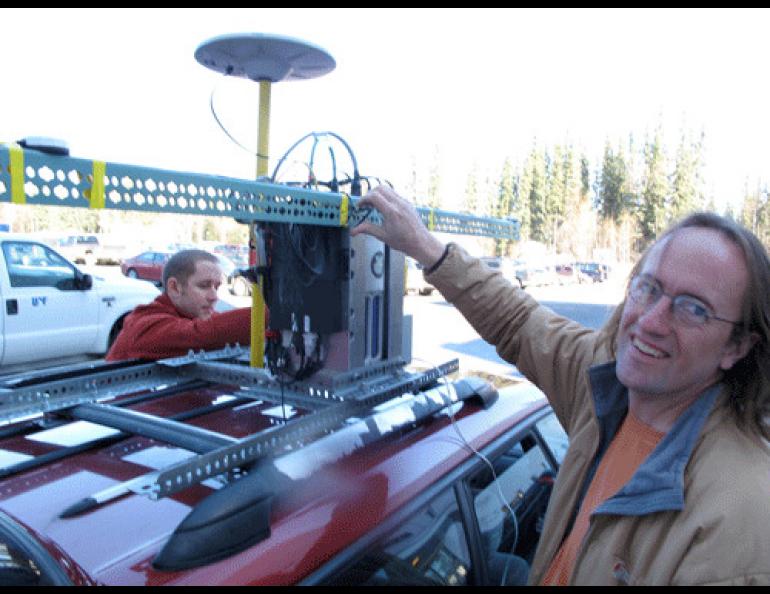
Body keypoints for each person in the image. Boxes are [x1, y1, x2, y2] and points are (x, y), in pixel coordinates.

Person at [351, 185, 770, 586]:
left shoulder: (742, 516)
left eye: (693, 308)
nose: (651, 321)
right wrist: (425, 247)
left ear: (736, 347)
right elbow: (519, 321)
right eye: (649, 287)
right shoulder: (604, 383)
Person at [106, 249, 251, 361]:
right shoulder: (144, 325)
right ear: (174, 287)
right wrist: (268, 315)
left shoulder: (193, 315)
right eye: (204, 286)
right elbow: (202, 334)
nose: (214, 297)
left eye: (216, 287)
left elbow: (223, 325)